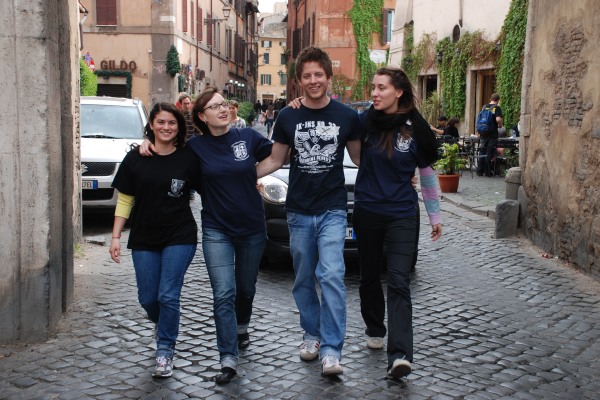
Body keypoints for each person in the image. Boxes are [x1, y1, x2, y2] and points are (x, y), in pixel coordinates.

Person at [139, 88, 273, 385]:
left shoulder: (248, 137)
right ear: (202, 116)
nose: (223, 109)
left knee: (245, 288)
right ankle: (228, 358)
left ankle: (242, 325)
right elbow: (167, 150)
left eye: (224, 104)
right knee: (223, 293)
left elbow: (279, 154)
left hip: (252, 226)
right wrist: (145, 142)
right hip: (217, 228)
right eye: (215, 106)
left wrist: (253, 174)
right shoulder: (195, 147)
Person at [256, 46, 361, 377]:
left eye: (319, 74)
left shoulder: (347, 116)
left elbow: (361, 159)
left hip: (332, 208)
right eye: (307, 76)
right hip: (299, 210)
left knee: (330, 275)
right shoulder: (288, 116)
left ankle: (332, 349)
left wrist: (402, 172)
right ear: (298, 82)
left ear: (329, 78)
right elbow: (276, 159)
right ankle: (311, 335)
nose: (313, 81)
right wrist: (238, 177)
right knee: (303, 278)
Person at [353, 67, 442, 379]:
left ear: (399, 92)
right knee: (368, 276)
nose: (375, 93)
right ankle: (375, 326)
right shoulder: (364, 122)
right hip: (368, 211)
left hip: (402, 213)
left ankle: (401, 354)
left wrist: (435, 215)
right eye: (373, 87)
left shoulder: (414, 128)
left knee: (399, 280)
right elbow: (333, 120)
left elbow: (427, 174)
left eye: (381, 88)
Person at [109, 102, 202, 378]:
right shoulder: (136, 158)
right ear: (151, 124)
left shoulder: (187, 158)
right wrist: (115, 236)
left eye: (172, 123)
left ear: (178, 128)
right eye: (160, 122)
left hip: (180, 235)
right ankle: (164, 325)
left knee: (168, 295)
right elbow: (126, 199)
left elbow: (211, 186)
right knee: (148, 298)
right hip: (144, 236)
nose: (166, 127)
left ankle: (165, 350)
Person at [476, 93, 503, 177]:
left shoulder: (484, 107)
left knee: (482, 151)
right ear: (498, 100)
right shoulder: (496, 108)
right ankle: (487, 172)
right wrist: (500, 125)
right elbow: (498, 119)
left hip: (483, 132)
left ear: (490, 99)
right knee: (489, 152)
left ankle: (480, 171)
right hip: (492, 133)